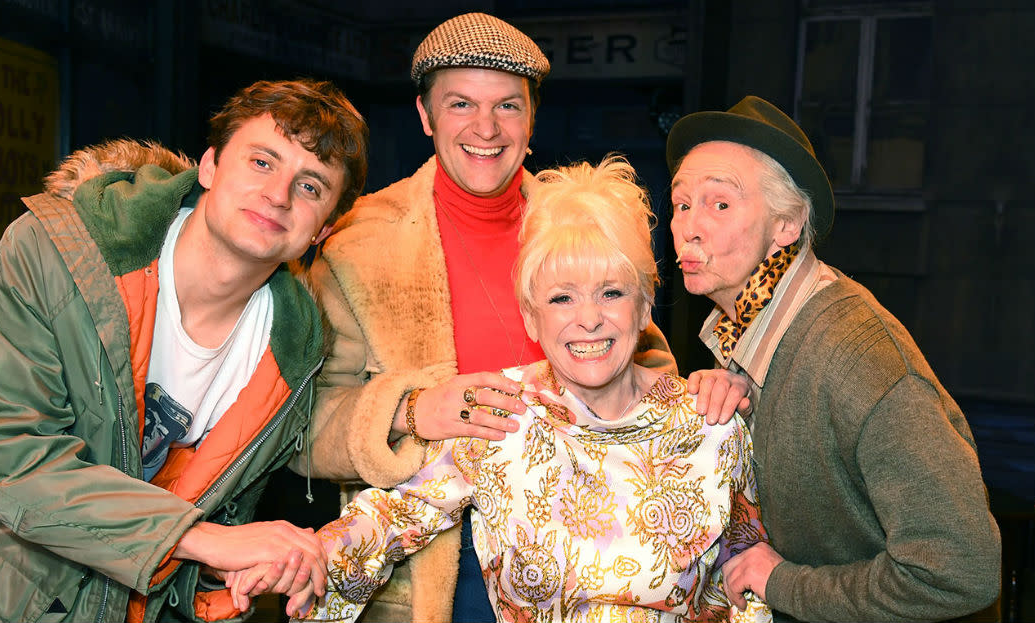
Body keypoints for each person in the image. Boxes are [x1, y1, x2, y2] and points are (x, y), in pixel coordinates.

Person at [298, 13, 748, 622]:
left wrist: (703, 394)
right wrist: (409, 410)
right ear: (427, 115)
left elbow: (643, 366)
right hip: (422, 568)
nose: (485, 128)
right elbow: (301, 427)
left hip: (591, 548)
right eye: (460, 103)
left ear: (531, 118)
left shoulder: (578, 221)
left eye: (507, 106)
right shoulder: (357, 247)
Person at [0, 79, 368, 623]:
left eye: (311, 187)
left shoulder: (292, 352)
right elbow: (9, 459)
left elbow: (214, 541)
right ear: (208, 167)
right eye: (261, 162)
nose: (278, 194)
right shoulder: (53, 253)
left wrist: (240, 569)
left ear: (323, 229)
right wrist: (201, 540)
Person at [240, 156, 770, 622]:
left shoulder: (711, 421)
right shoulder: (503, 416)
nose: (589, 320)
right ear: (530, 318)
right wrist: (304, 555)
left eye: (611, 292)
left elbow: (750, 577)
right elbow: (389, 518)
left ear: (644, 308)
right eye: (562, 298)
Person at [664, 95, 1002, 621]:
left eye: (720, 203)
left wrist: (783, 583)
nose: (688, 225)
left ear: (787, 226)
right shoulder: (744, 334)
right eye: (682, 203)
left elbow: (960, 571)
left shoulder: (856, 356)